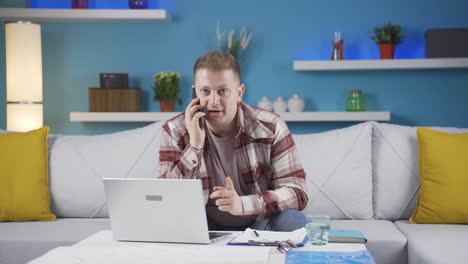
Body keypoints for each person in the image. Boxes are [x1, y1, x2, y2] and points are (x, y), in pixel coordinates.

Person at [159, 51, 308, 231]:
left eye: (222, 91)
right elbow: (166, 198)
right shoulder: (175, 130)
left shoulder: (271, 127)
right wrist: (195, 147)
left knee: (293, 220)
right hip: (203, 223)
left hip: (259, 221)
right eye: (205, 91)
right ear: (194, 92)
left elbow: (297, 192)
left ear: (239, 92)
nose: (213, 101)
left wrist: (243, 205)